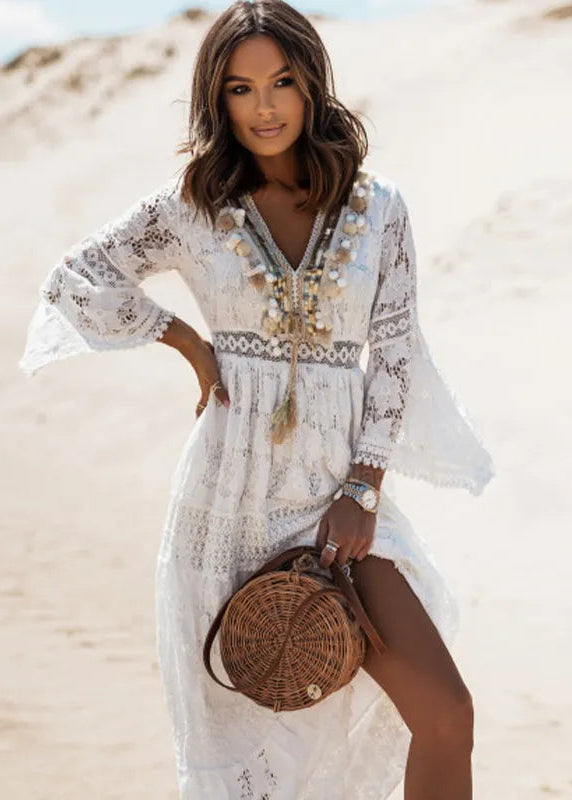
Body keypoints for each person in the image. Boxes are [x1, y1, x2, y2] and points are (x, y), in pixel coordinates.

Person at [18, 1, 494, 798]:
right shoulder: (192, 207)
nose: (264, 107)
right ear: (218, 98)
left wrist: (364, 487)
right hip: (226, 504)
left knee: (446, 714)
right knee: (252, 767)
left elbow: (396, 356)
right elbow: (77, 278)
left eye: (282, 83)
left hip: (340, 500)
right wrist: (185, 340)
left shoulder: (379, 209)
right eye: (240, 89)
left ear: (312, 86)